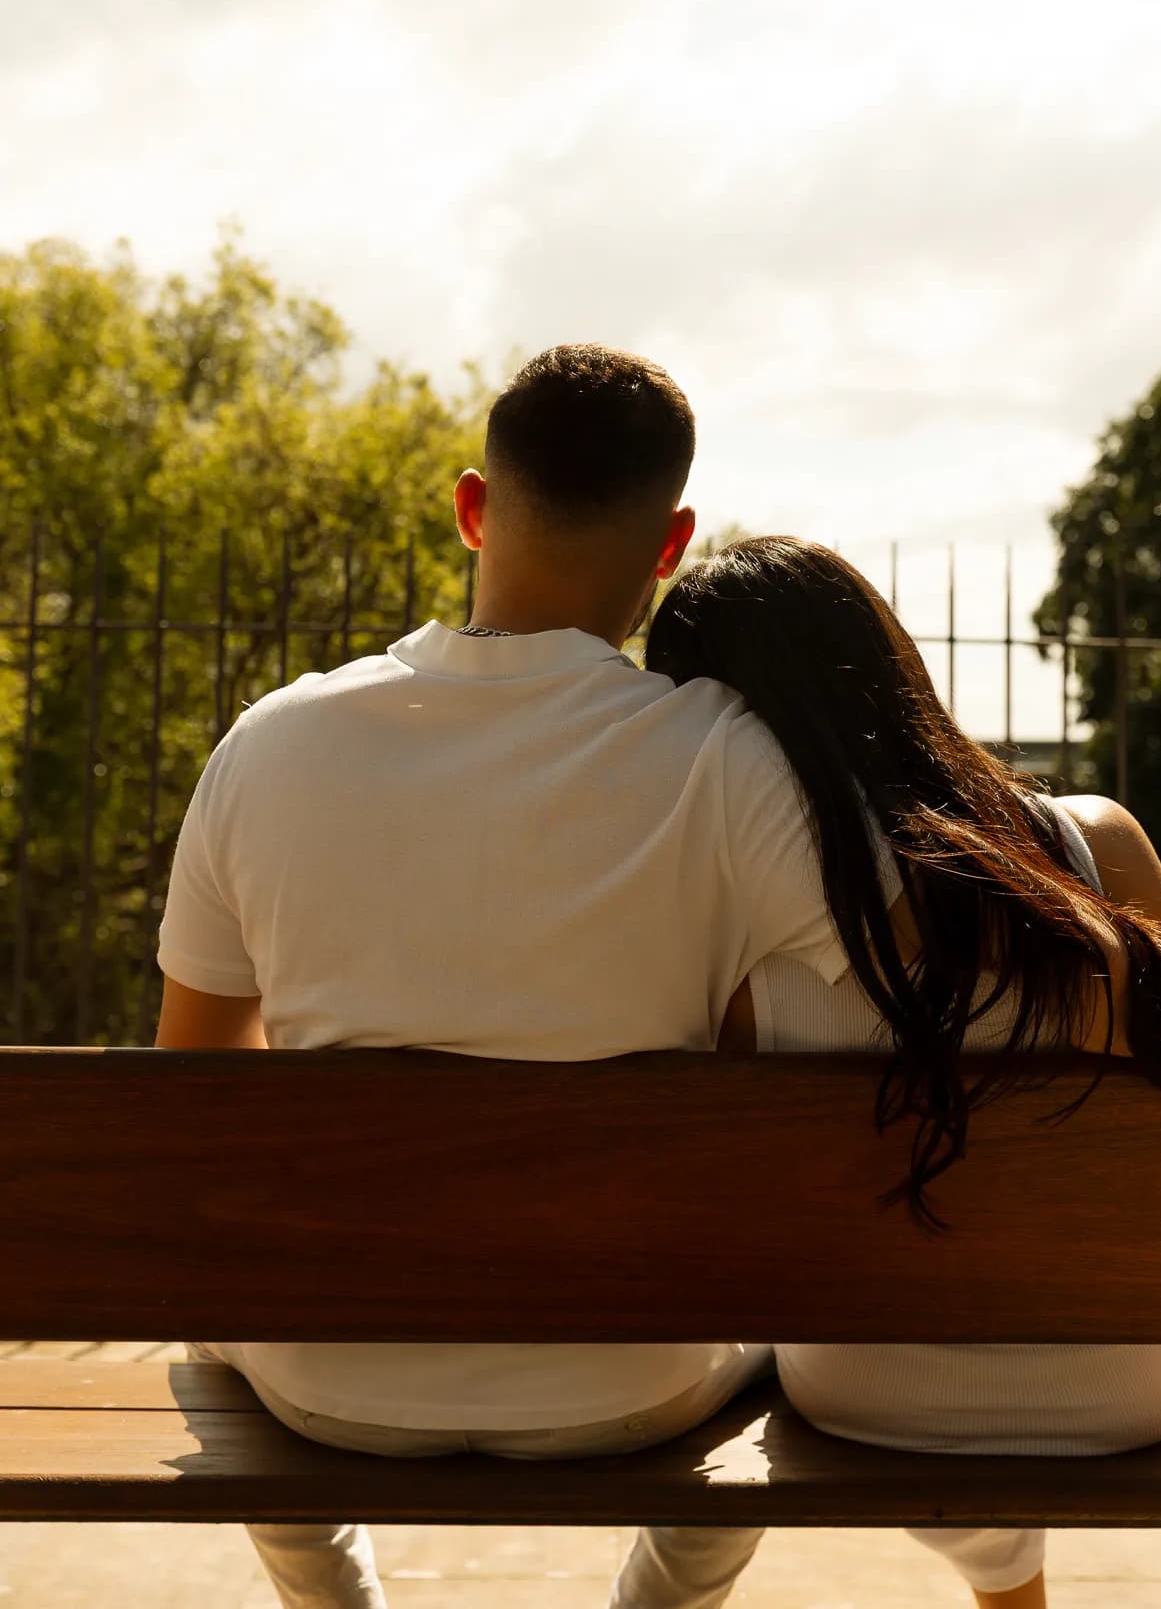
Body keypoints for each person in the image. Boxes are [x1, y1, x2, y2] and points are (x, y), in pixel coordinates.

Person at [155, 350, 858, 1609]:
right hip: (628, 1384)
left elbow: (191, 1090)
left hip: (327, 1380)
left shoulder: (268, 744)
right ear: (673, 542)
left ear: (474, 506)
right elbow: (845, 1026)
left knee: (209, 1340)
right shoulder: (729, 759)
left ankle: (337, 1599)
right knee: (786, 1341)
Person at [610, 535, 1161, 1609]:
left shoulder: (743, 932)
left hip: (876, 1386)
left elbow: (718, 1209)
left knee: (757, 1344)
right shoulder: (1098, 846)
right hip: (1138, 1379)